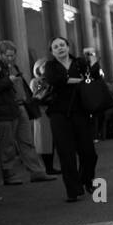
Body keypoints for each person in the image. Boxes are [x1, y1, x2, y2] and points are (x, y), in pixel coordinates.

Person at [0, 39, 54, 186]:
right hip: (4, 110)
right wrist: (7, 81)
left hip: (19, 106)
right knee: (7, 144)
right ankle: (9, 174)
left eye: (13, 55)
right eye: (8, 56)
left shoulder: (12, 67)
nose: (11, 58)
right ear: (1, 54)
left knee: (27, 141)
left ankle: (37, 172)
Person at [42, 36, 98, 202]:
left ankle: (85, 179)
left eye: (62, 45)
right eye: (56, 47)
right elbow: (55, 80)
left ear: (68, 46)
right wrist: (79, 81)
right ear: (52, 51)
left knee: (89, 153)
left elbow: (94, 76)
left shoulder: (80, 63)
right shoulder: (50, 65)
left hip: (80, 112)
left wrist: (93, 58)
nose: (60, 48)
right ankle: (73, 191)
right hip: (59, 114)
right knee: (66, 154)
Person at [29, 59, 58, 174]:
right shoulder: (36, 81)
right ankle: (47, 168)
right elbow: (38, 96)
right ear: (38, 69)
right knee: (44, 141)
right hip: (41, 112)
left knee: (51, 142)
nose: (46, 69)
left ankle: (50, 166)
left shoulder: (52, 80)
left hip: (51, 111)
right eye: (43, 67)